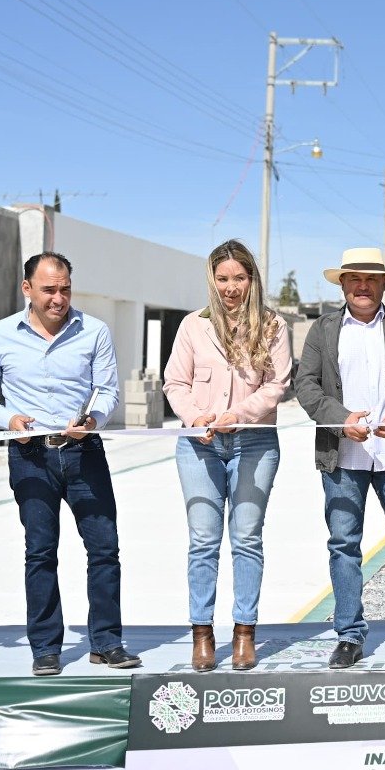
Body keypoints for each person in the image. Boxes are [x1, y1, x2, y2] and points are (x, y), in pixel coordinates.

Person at [0, 252, 135, 676]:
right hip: (30, 456)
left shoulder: (94, 331)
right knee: (40, 552)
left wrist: (93, 420)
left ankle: (107, 643)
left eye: (64, 289)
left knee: (104, 549)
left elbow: (108, 390)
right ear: (28, 289)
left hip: (84, 453)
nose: (58, 298)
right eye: (49, 290)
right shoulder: (0, 335)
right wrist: (8, 420)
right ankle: (45, 647)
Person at [294, 247, 385, 669]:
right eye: (354, 278)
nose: (363, 285)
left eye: (371, 278)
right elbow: (306, 385)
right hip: (342, 457)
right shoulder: (321, 330)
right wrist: (341, 421)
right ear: (341, 283)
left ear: (384, 284)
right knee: (344, 546)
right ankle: (350, 635)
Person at [163, 240, 292, 672]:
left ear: (252, 279)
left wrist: (236, 414)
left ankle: (244, 632)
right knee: (202, 540)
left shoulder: (273, 326)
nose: (230, 287)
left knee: (246, 538)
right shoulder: (192, 327)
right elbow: (175, 384)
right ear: (211, 280)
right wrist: (197, 417)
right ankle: (202, 632)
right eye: (222, 279)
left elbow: (276, 386)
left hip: (253, 442)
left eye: (239, 278)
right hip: (198, 446)